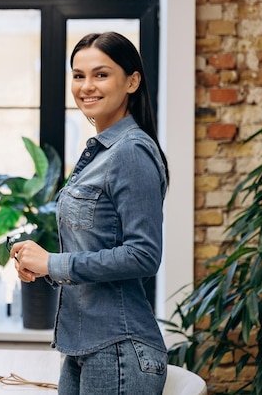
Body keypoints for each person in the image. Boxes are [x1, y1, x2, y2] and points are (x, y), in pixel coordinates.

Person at [9, 31, 170, 394]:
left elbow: (143, 255)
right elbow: (95, 243)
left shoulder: (130, 151)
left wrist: (53, 263)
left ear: (132, 81)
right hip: (85, 347)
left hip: (119, 350)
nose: (86, 86)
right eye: (78, 75)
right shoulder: (100, 153)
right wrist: (40, 264)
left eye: (101, 74)